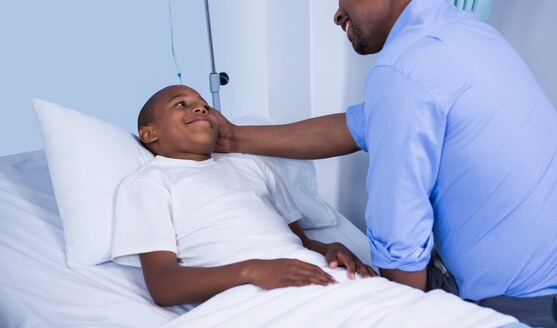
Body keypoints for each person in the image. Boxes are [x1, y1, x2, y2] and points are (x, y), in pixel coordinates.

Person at [208, 0, 557, 328]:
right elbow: (357, 125)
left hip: (537, 311)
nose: (337, 14)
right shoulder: (468, 33)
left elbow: (402, 257)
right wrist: (235, 138)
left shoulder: (401, 69)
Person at [111, 84, 377, 307]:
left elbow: (299, 241)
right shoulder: (150, 182)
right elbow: (163, 285)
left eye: (204, 104)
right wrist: (254, 271)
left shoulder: (250, 165)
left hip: (319, 275)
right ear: (149, 133)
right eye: (180, 104)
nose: (200, 108)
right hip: (251, 296)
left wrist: (332, 248)